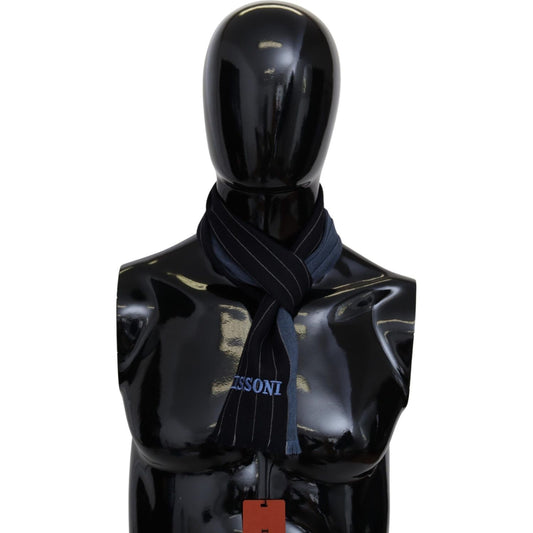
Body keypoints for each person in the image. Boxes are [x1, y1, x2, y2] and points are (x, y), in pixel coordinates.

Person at [116, 2, 416, 531]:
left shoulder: (382, 307)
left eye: (294, 101)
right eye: (239, 95)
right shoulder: (148, 295)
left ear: (326, 112)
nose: (266, 125)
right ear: (212, 108)